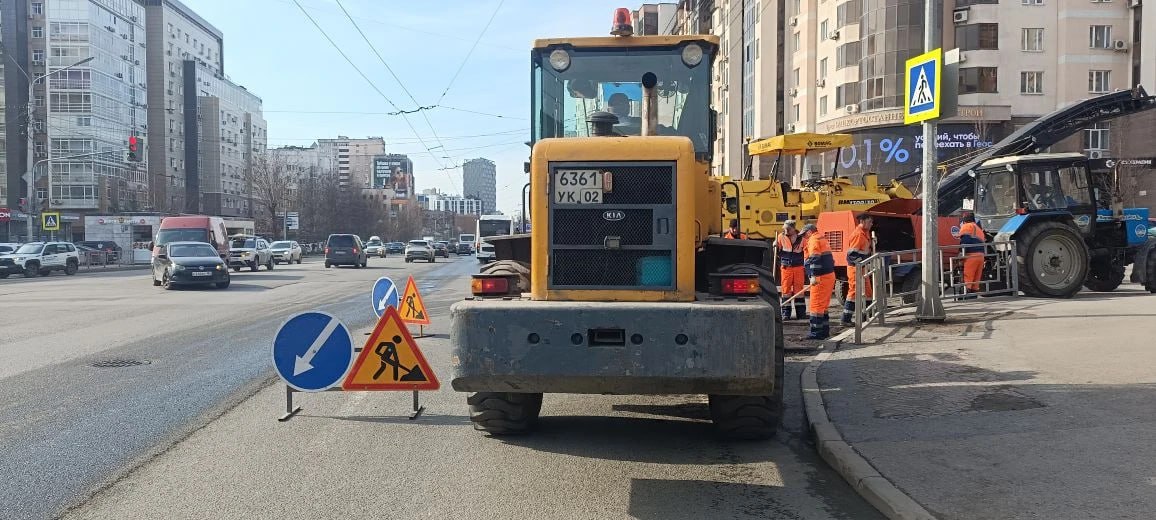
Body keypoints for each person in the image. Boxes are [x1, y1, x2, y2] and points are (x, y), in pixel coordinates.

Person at [802, 224, 836, 340]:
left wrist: (814, 275)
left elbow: (815, 258)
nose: (804, 238)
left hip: (820, 276)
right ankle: (824, 331)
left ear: (809, 232)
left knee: (816, 305)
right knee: (823, 305)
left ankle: (816, 333)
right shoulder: (822, 238)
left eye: (804, 234)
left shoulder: (813, 240)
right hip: (828, 275)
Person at [841, 213, 874, 326]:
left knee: (868, 292)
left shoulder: (865, 233)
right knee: (854, 293)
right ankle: (846, 319)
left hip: (862, 267)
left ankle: (867, 316)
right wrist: (864, 263)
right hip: (856, 268)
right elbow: (851, 255)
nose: (871, 224)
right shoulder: (858, 234)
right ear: (863, 222)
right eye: (869, 222)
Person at [775, 220, 807, 321]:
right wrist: (774, 246)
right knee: (786, 291)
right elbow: (777, 250)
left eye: (788, 229)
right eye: (784, 228)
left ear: (793, 229)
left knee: (799, 291)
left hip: (798, 266)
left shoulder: (801, 238)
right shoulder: (780, 236)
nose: (785, 230)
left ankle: (801, 313)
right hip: (786, 267)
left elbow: (806, 250)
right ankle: (786, 313)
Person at [958, 212, 986, 299]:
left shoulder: (966, 226)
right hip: (981, 257)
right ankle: (973, 298)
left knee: (968, 279)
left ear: (964, 220)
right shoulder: (978, 229)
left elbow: (965, 242)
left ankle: (966, 299)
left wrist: (960, 255)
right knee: (975, 280)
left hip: (971, 257)